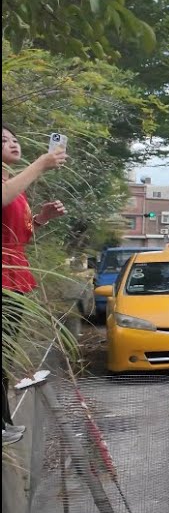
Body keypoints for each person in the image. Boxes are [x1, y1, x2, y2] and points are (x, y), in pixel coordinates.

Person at [2, 124, 67, 443]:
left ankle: (4, 422)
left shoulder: (12, 183)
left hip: (13, 272)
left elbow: (20, 235)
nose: (13, 144)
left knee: (6, 351)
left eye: (14, 139)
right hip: (4, 274)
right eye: (3, 140)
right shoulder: (10, 184)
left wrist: (41, 218)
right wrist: (41, 164)